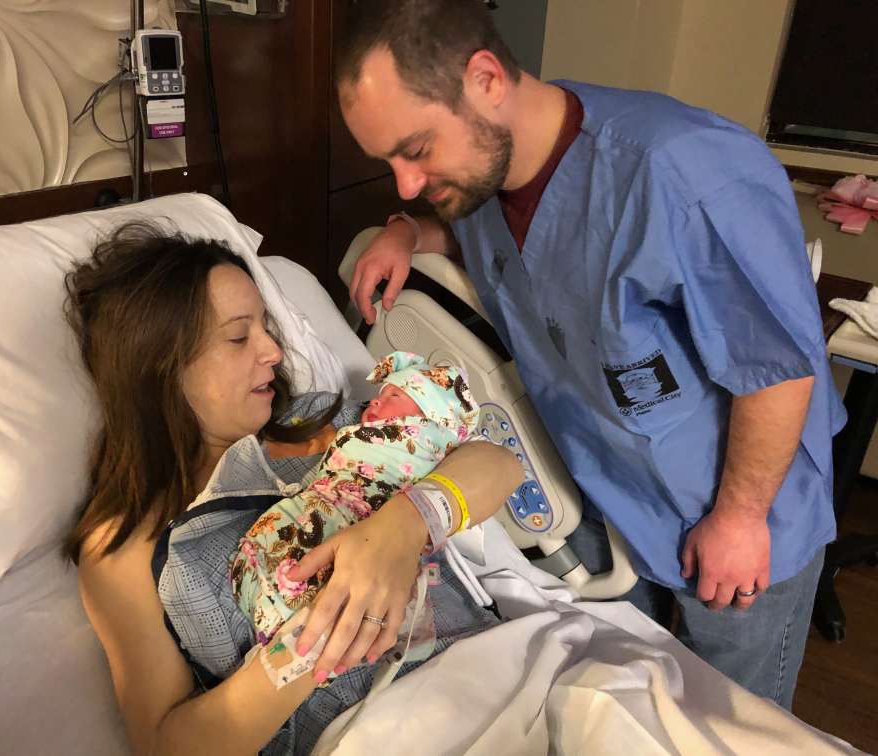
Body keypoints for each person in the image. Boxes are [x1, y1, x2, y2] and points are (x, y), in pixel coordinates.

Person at [336, 0, 846, 710]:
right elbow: (496, 249)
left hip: (744, 515)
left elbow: (780, 370)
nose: (407, 181)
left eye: (415, 150)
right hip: (619, 501)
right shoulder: (485, 181)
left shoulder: (682, 175)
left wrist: (738, 518)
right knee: (644, 707)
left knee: (737, 722)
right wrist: (405, 231)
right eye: (387, 161)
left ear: (486, 78)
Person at [63, 220, 523, 754]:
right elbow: (165, 744)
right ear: (159, 368)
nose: (274, 352)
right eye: (239, 336)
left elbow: (496, 464)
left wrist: (403, 526)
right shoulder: (123, 548)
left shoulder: (317, 428)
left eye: (266, 328)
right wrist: (317, 638)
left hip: (491, 671)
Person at [232, 350, 479, 669]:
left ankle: (308, 636)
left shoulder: (432, 443)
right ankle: (292, 635)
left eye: (393, 395)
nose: (375, 401)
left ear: (431, 418)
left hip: (372, 514)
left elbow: (492, 464)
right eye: (382, 393)